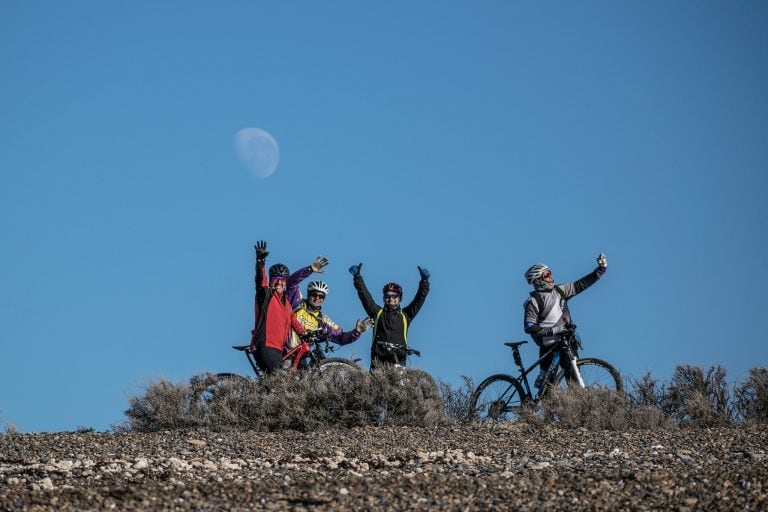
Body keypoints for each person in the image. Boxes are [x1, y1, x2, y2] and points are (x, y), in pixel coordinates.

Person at [523, 253, 608, 390]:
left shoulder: (560, 291)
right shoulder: (533, 301)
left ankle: (580, 406)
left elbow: (581, 284)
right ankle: (541, 380)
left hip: (566, 341)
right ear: (538, 279)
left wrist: (601, 269)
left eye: (550, 273)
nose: (551, 276)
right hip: (548, 345)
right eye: (546, 275)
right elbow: (529, 327)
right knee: (547, 390)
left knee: (574, 380)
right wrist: (554, 330)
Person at [349, 263, 430, 368]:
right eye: (387, 296)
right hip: (378, 360)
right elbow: (365, 296)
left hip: (399, 360)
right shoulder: (377, 313)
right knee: (375, 384)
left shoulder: (406, 315)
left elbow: (420, 299)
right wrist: (357, 278)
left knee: (400, 384)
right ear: (384, 298)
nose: (391, 298)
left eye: (394, 296)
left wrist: (424, 282)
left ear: (399, 298)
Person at [248, 240, 307, 374]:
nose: (279, 283)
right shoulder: (266, 295)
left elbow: (294, 323)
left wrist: (305, 334)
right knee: (279, 380)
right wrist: (260, 263)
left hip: (279, 349)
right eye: (275, 280)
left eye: (282, 280)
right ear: (271, 281)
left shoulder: (287, 304)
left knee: (288, 376)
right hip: (265, 345)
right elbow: (260, 280)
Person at [287, 279, 373, 355]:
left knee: (305, 372)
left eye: (321, 296)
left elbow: (340, 337)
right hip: (285, 349)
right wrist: (309, 269)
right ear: (308, 294)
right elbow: (291, 283)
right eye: (314, 295)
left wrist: (357, 332)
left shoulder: (323, 319)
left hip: (302, 355)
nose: (317, 298)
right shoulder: (297, 303)